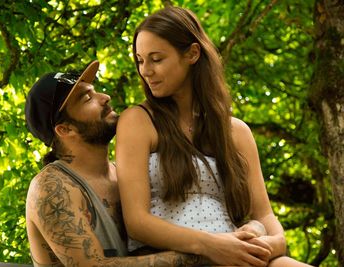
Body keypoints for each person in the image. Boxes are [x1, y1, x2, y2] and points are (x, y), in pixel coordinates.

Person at [115, 6, 312, 267]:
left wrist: (260, 242)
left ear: (192, 54)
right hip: (175, 257)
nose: (145, 71)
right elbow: (137, 223)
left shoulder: (236, 132)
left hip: (236, 254)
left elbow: (267, 219)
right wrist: (211, 245)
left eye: (156, 59)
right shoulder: (138, 121)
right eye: (140, 60)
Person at [24, 60, 206, 266]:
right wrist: (204, 252)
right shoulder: (51, 188)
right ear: (65, 130)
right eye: (87, 98)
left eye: (95, 91)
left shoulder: (128, 174)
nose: (105, 98)